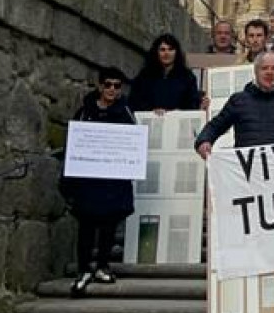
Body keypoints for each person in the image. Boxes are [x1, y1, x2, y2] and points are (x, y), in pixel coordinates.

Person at [60, 67, 136, 296]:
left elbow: (132, 141)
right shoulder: (84, 112)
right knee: (86, 226)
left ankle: (102, 265)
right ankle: (84, 268)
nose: (112, 89)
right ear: (100, 86)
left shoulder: (125, 112)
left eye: (117, 86)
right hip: (88, 178)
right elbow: (74, 142)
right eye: (108, 85)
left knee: (108, 225)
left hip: (113, 179)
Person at [195, 51, 274, 156]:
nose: (269, 72)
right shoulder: (238, 101)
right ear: (256, 71)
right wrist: (204, 141)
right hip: (247, 175)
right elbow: (215, 126)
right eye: (264, 68)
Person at [128, 33, 202, 113]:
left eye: (170, 49)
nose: (166, 53)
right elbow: (134, 102)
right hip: (151, 121)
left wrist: (178, 111)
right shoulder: (144, 76)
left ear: (176, 52)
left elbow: (192, 104)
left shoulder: (187, 77)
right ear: (156, 52)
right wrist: (151, 111)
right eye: (162, 49)